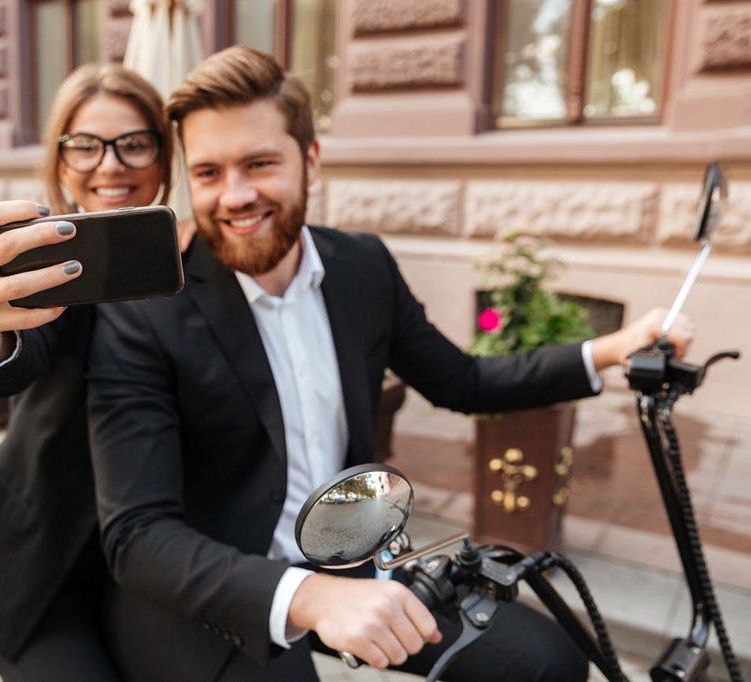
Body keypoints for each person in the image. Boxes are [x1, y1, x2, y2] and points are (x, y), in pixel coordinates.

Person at [84, 46, 696, 682]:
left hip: (348, 558)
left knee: (547, 661)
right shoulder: (145, 309)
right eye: (208, 173)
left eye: (260, 163)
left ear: (310, 160)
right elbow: (137, 535)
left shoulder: (362, 267)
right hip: (219, 593)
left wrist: (611, 349)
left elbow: (462, 381)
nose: (234, 196)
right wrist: (310, 597)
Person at [0, 63, 181, 681]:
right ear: (60, 164)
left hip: (145, 573)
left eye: (133, 143)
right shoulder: (42, 272)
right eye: (84, 146)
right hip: (29, 568)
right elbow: (11, 359)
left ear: (163, 159)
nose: (109, 164)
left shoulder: (195, 272)